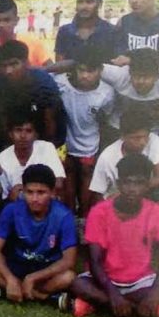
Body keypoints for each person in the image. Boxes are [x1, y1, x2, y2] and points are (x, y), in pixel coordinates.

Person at [70, 154, 159, 317]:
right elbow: (94, 261)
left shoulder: (158, 214)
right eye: (127, 182)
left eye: (139, 183)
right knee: (77, 284)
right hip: (105, 281)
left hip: (140, 282)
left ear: (148, 186)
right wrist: (113, 295)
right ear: (119, 184)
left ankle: (96, 306)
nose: (132, 189)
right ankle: (154, 310)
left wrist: (154, 294)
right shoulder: (99, 212)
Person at [0, 164, 77, 305]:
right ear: (23, 191)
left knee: (68, 277)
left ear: (52, 193)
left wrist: (33, 278)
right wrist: (10, 278)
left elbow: (69, 260)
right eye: (29, 192)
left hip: (45, 270)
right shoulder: (11, 210)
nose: (34, 198)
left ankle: (13, 290)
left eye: (41, 192)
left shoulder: (63, 216)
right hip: (17, 266)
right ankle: (40, 296)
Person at [54, 47, 115, 217]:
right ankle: (70, 215)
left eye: (91, 70)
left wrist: (100, 149)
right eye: (81, 70)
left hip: (90, 143)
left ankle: (84, 216)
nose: (85, 75)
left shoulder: (106, 93)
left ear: (100, 71)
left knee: (87, 173)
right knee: (68, 173)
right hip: (66, 140)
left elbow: (105, 122)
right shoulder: (61, 84)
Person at [100, 48, 159, 155]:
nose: (141, 81)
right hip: (118, 130)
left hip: (156, 132)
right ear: (129, 73)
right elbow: (92, 65)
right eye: (137, 76)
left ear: (157, 76)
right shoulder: (118, 76)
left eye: (146, 76)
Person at [88, 109, 159, 209]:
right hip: (118, 197)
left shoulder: (154, 140)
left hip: (145, 193)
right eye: (136, 138)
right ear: (123, 136)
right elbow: (98, 192)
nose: (143, 142)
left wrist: (137, 189)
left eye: (145, 137)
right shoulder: (107, 156)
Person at [0, 41, 65, 147]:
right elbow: (4, 118)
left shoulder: (43, 83)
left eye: (14, 64)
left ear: (26, 63)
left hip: (48, 135)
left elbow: (50, 121)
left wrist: (45, 148)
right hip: (18, 134)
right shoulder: (2, 82)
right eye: (4, 66)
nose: (8, 71)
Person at [0, 109, 65, 201]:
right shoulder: (1, 159)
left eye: (28, 131)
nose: (23, 136)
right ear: (10, 134)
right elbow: (6, 196)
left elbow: (58, 183)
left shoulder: (46, 148)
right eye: (18, 130)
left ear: (36, 135)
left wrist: (28, 190)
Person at [54, 0, 120, 62]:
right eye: (80, 2)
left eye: (89, 2)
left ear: (100, 4)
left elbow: (115, 65)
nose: (84, 7)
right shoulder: (64, 32)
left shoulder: (111, 32)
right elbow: (59, 67)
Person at [0, 0, 50, 67]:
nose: (1, 25)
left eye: (6, 20)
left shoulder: (33, 43)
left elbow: (51, 68)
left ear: (16, 20)